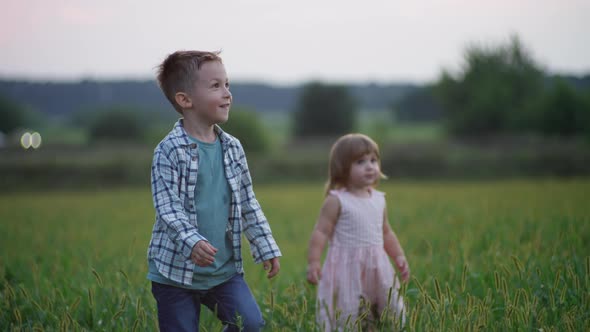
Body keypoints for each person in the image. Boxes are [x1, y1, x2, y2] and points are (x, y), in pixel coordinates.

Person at [146, 50, 281, 332]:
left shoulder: (232, 148)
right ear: (185, 99)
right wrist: (192, 242)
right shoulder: (168, 151)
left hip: (223, 273)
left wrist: (265, 245)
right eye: (215, 86)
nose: (227, 93)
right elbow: (167, 208)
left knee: (251, 325)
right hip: (174, 275)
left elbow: (247, 202)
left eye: (227, 84)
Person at [306, 133, 410, 331]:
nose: (370, 166)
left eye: (373, 160)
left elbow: (386, 232)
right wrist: (313, 262)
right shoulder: (336, 200)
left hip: (376, 265)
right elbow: (320, 232)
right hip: (347, 267)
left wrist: (399, 256)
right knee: (348, 311)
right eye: (361, 162)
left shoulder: (379, 199)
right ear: (342, 168)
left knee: (385, 306)